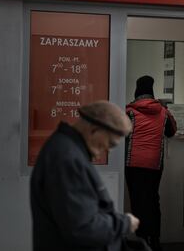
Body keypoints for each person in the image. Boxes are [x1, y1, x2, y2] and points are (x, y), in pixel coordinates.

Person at [31, 100, 140, 251]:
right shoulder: (67, 159)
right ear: (94, 130)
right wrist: (124, 223)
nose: (108, 150)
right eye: (111, 143)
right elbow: (82, 228)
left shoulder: (69, 151)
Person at [125, 75, 177, 251]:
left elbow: (119, 133)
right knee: (153, 199)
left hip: (133, 163)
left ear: (137, 90)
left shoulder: (129, 111)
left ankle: (142, 239)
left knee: (138, 200)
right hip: (155, 164)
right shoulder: (163, 111)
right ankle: (155, 239)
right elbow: (172, 131)